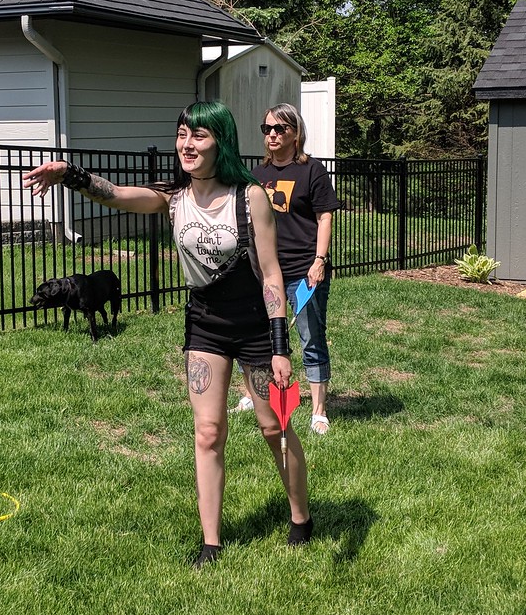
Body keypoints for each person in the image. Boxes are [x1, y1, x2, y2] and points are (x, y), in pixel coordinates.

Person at [23, 101, 312, 567]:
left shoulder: (249, 196)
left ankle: (301, 517)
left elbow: (272, 274)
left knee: (274, 426)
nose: (186, 144)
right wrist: (70, 174)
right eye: (182, 134)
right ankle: (211, 542)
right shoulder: (174, 197)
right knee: (208, 432)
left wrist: (281, 347)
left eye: (198, 135)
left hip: (256, 326)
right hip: (205, 323)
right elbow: (115, 194)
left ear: (220, 141)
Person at [237, 103, 339, 434]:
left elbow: (325, 217)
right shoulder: (257, 175)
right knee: (255, 337)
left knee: (311, 338)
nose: (272, 134)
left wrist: (319, 260)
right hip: (264, 273)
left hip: (302, 271)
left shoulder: (312, 171)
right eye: (267, 129)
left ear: (295, 134)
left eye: (280, 128)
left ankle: (319, 411)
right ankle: (253, 393)